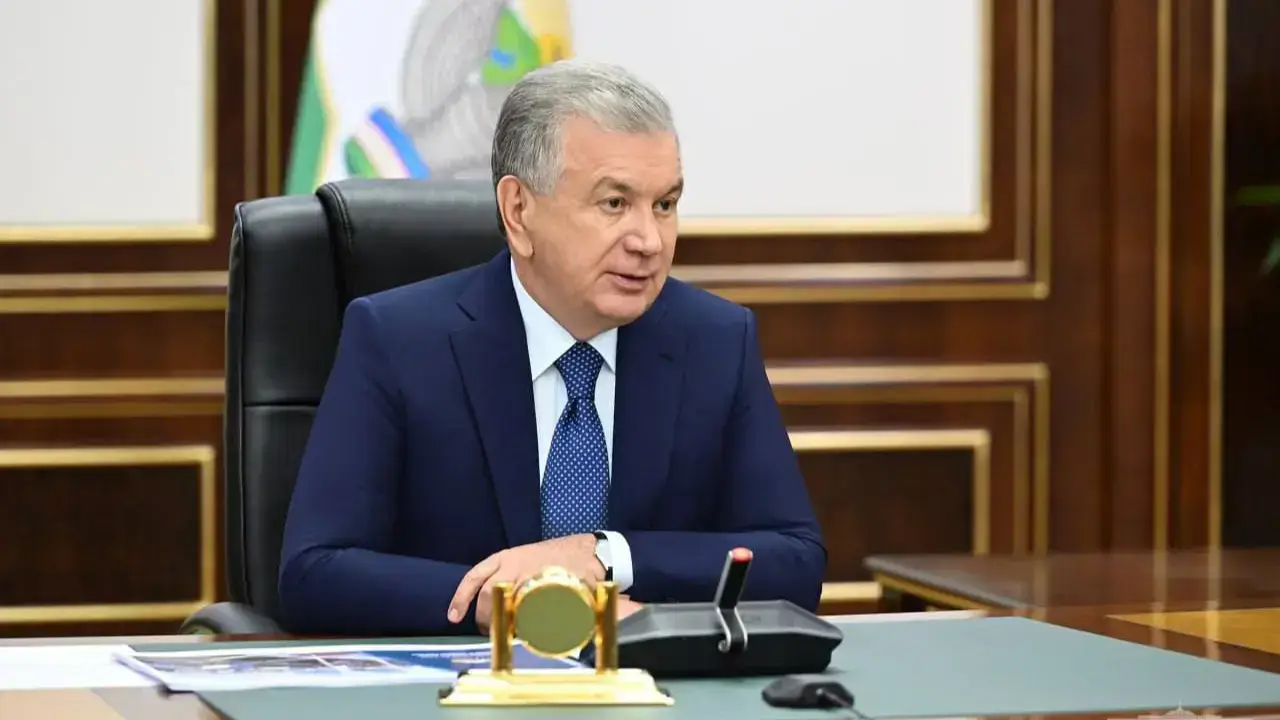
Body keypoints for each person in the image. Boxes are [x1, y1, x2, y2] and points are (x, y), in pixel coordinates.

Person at [277, 59, 826, 636]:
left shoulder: (715, 341)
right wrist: (503, 602)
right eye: (614, 204)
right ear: (518, 211)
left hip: (648, 679)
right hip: (464, 678)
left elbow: (794, 561)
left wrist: (605, 556)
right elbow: (316, 571)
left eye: (664, 205)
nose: (648, 240)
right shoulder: (397, 340)